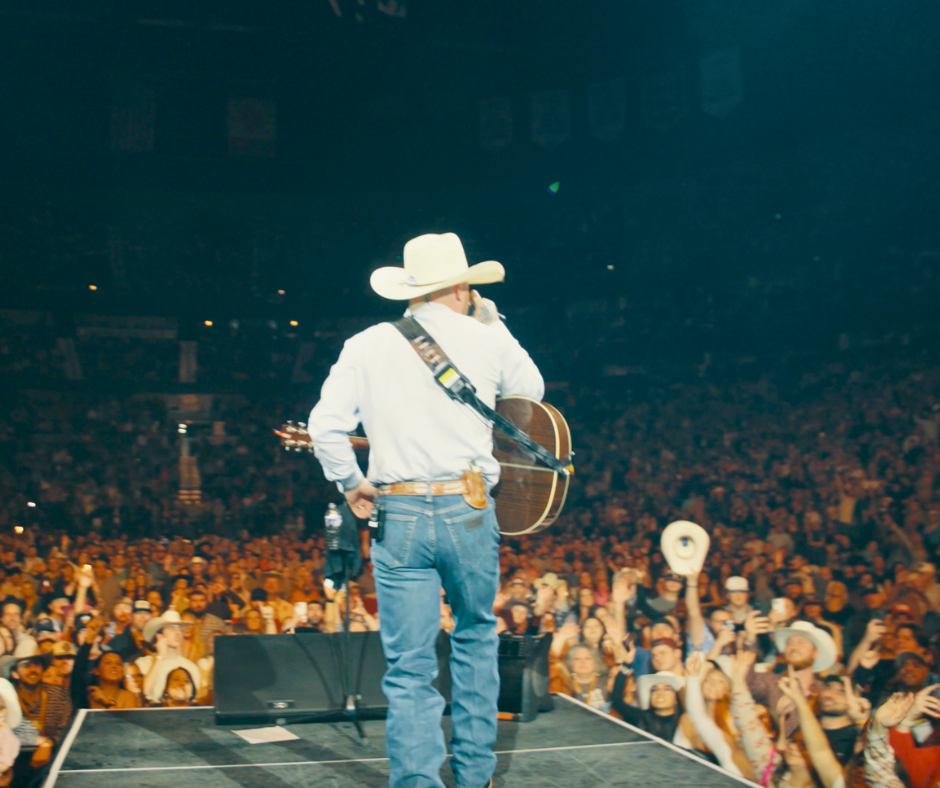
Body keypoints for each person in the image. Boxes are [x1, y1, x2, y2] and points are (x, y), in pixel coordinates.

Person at [308, 232, 543, 788]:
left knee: (409, 665)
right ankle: (473, 776)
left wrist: (352, 482)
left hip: (399, 510)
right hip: (467, 506)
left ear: (411, 291)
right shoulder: (485, 338)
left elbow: (325, 427)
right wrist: (493, 321)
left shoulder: (365, 344)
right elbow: (530, 395)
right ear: (462, 287)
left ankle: (416, 782)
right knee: (474, 639)